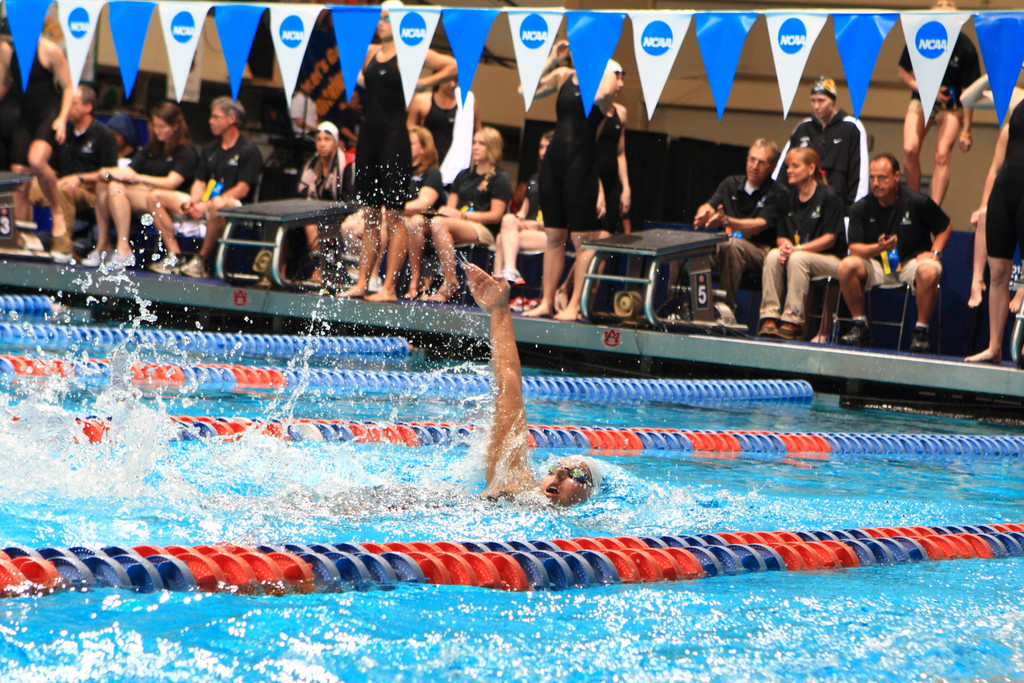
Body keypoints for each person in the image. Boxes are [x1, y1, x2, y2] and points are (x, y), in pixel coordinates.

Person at [341, 0, 456, 298]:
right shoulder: (370, 53)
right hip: (368, 137)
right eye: (379, 18)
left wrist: (422, 83)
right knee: (369, 215)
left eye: (386, 19)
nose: (380, 23)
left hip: (394, 139)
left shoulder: (411, 52)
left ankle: (390, 287)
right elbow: (356, 75)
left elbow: (452, 65)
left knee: (393, 217)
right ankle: (362, 282)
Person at [463, 261, 602, 506]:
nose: (559, 473)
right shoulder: (514, 483)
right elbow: (509, 386)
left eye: (578, 475)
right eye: (554, 468)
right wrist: (499, 310)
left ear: (590, 495)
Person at [523, 48, 624, 321]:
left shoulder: (606, 80)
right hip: (554, 164)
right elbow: (525, 90)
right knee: (554, 237)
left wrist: (600, 65)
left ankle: (574, 305)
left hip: (582, 165)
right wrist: (553, 60)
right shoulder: (563, 76)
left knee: (584, 242)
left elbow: (602, 97)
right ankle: (546, 301)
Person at [837, 153, 951, 353]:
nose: (876, 183)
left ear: (897, 176)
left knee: (929, 271)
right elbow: (855, 249)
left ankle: (921, 332)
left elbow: (945, 225)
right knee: (847, 265)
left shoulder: (917, 201)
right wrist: (879, 248)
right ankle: (860, 325)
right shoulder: (860, 208)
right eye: (872, 177)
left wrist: (935, 252)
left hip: (910, 262)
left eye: (882, 177)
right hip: (877, 264)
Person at [146, 97, 263, 277]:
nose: (210, 121)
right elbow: (200, 181)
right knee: (154, 197)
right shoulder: (209, 149)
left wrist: (206, 205)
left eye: (216, 117)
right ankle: (175, 255)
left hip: (235, 207)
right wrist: (194, 202)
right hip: (205, 202)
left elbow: (243, 189)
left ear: (231, 119)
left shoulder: (249, 150)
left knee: (218, 204)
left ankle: (201, 261)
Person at [89, 102, 198, 268]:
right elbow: (128, 171)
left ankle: (123, 248)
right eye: (155, 126)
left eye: (162, 126)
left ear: (175, 126)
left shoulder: (187, 152)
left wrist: (140, 178)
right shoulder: (151, 150)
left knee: (115, 188)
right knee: (104, 185)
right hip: (145, 194)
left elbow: (171, 182)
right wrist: (106, 172)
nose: (157, 131)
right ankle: (103, 244)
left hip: (169, 199)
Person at [758, 147, 845, 340]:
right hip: (800, 255)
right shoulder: (787, 199)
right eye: (788, 166)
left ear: (811, 168)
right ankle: (770, 318)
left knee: (798, 258)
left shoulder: (829, 196)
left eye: (795, 166)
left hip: (832, 260)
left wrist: (796, 249)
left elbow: (830, 239)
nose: (789, 170)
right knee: (773, 255)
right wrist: (785, 246)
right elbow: (781, 235)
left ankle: (792, 321)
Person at [898, 0, 980, 206]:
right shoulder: (920, 37)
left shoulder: (965, 47)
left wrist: (967, 130)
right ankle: (914, 201)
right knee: (909, 148)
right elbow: (903, 72)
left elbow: (970, 92)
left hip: (952, 105)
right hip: (923, 97)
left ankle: (933, 208)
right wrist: (925, 89)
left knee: (942, 155)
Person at [0, 35, 74, 260]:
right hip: (25, 117)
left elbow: (69, 88)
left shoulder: (50, 50)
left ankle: (57, 211)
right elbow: (4, 84)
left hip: (48, 114)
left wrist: (62, 119)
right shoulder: (7, 51)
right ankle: (21, 232)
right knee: (18, 173)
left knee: (36, 160)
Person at [26, 85, 118, 264]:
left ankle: (63, 247)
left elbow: (109, 174)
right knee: (29, 185)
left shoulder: (104, 135)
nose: (67, 108)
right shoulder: (65, 133)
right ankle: (23, 237)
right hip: (63, 183)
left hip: (92, 191)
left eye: (73, 103)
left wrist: (80, 178)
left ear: (88, 107)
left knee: (63, 189)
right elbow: (55, 169)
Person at [693, 138, 784, 314]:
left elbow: (759, 225)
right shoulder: (731, 184)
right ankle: (685, 307)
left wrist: (726, 221)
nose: (754, 166)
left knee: (732, 246)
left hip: (759, 251)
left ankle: (725, 310)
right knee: (686, 250)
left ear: (772, 166)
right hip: (726, 246)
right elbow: (709, 205)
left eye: (761, 162)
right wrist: (703, 213)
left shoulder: (778, 192)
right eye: (752, 159)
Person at [421, 126, 512, 302]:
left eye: (481, 144)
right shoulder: (463, 175)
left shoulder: (500, 177)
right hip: (457, 224)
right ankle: (418, 282)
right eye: (474, 143)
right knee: (416, 223)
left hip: (484, 230)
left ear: (492, 147)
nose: (475, 147)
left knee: (439, 224)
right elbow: (450, 209)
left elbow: (496, 215)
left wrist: (462, 216)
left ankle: (450, 281)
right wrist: (447, 213)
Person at [965, 96, 1024, 363]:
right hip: (1004, 192)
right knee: (998, 273)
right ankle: (994, 347)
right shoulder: (1019, 97)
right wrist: (996, 72)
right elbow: (969, 98)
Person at [368, 125, 444, 302]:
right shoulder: (398, 171)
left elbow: (425, 202)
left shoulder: (431, 172)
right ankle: (360, 276)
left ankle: (377, 279)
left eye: (409, 143)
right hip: (393, 216)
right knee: (353, 225)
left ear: (424, 148)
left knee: (391, 222)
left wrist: (394, 209)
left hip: (417, 219)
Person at [775, 77, 869, 209]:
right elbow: (782, 169)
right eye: (813, 101)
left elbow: (860, 173)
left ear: (833, 100)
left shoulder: (851, 128)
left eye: (821, 100)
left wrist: (855, 209)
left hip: (838, 207)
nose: (816, 106)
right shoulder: (803, 127)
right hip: (802, 207)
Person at [292, 121, 355, 285]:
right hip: (314, 212)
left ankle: (322, 269)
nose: (322, 144)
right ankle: (281, 272)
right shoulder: (310, 166)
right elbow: (301, 194)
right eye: (319, 139)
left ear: (335, 142)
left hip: (339, 214)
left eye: (326, 139)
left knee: (319, 224)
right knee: (297, 224)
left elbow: (350, 199)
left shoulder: (346, 165)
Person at [494, 131, 552, 285]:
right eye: (541, 147)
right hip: (527, 227)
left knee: (502, 239)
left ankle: (497, 285)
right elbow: (523, 211)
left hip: (549, 234)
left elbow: (566, 222)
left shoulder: (564, 180)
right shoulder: (534, 178)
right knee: (508, 218)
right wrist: (519, 216)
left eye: (548, 147)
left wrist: (538, 224)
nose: (543, 151)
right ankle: (509, 271)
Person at [407, 78, 479, 184]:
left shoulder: (468, 103)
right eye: (449, 80)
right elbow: (408, 134)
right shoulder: (422, 101)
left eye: (456, 81)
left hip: (454, 165)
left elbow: (479, 134)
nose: (452, 84)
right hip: (424, 164)